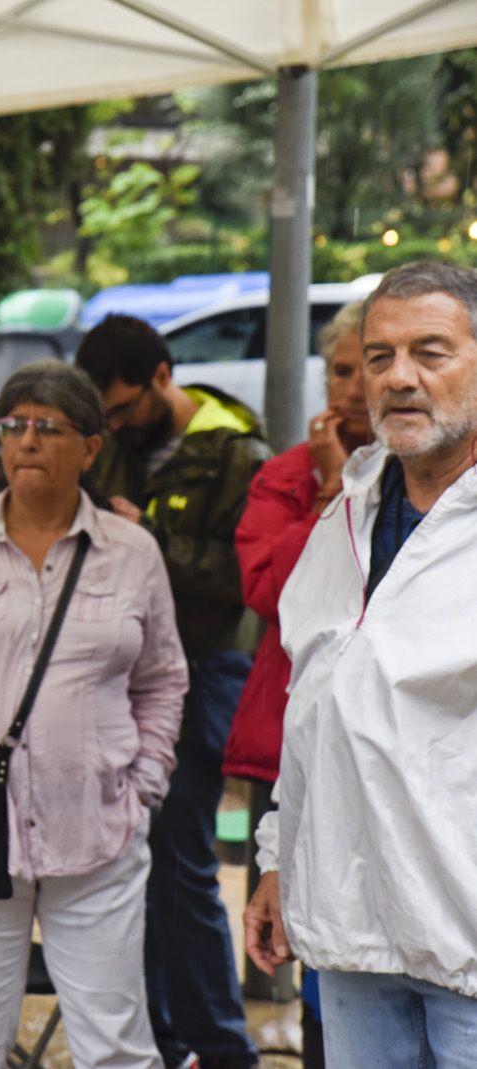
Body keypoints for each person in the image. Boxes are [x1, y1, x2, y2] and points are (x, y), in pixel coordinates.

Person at [0, 359, 188, 1069]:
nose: (26, 441)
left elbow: (164, 679)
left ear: (90, 448)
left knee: (114, 1042)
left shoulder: (133, 553)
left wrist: (145, 785)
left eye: (48, 427)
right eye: (14, 425)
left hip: (100, 829)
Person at [245, 261, 477, 1068]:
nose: (399, 378)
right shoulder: (346, 513)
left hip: (468, 952)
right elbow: (315, 701)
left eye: (431, 352)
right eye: (379, 357)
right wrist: (279, 857)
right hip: (354, 941)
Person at [77, 315, 268, 1069]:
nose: (116, 425)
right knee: (132, 855)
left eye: (123, 409)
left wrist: (148, 537)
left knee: (181, 854)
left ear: (163, 376)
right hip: (116, 671)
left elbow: (242, 577)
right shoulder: (114, 446)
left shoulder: (236, 452)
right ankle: (163, 1038)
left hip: (203, 663)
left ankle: (221, 1045)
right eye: (106, 415)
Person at [226, 302, 369, 1068]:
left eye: (362, 366)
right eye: (341, 369)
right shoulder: (285, 474)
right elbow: (268, 591)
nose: (352, 387)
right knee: (289, 897)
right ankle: (298, 1013)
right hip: (298, 727)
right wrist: (328, 489)